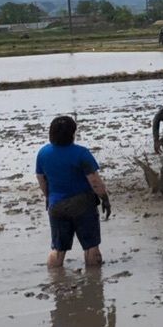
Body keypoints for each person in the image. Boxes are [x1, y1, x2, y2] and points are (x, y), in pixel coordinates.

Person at [36, 115, 112, 268]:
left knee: (58, 249)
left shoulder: (43, 153)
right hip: (82, 204)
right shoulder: (81, 153)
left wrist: (49, 198)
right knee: (91, 247)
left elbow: (41, 179)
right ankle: (94, 285)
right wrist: (105, 198)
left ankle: (55, 283)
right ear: (72, 134)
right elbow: (94, 181)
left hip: (56, 205)